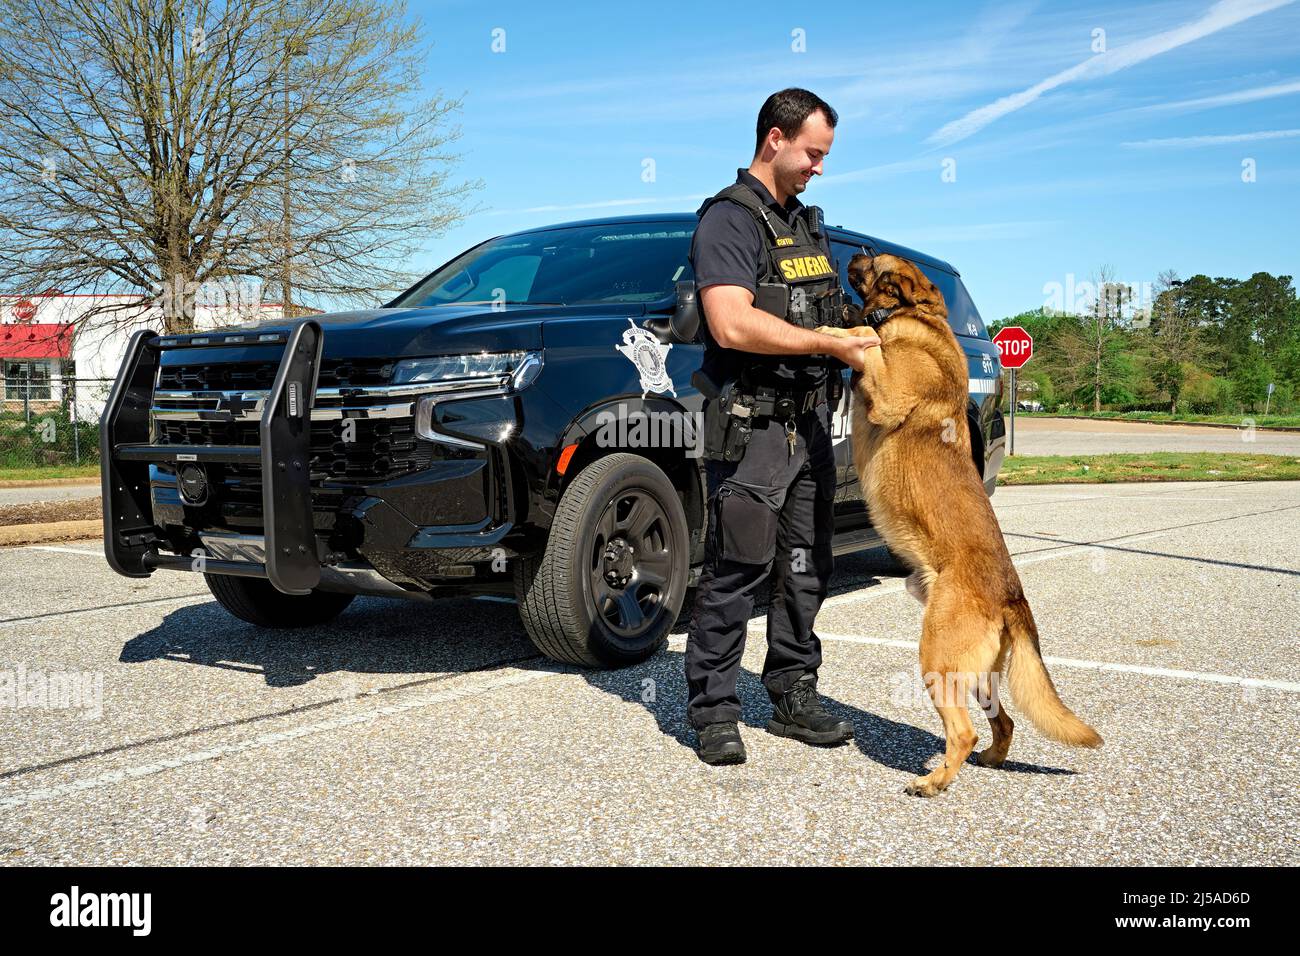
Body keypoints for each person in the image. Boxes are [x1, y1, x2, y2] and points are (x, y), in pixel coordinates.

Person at [684, 88, 881, 765]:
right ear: (775, 139)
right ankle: (713, 710)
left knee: (805, 569)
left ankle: (794, 692)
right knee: (737, 569)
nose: (819, 167)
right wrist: (829, 345)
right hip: (753, 428)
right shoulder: (729, 221)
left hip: (809, 428)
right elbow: (731, 323)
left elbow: (823, 309)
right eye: (813, 153)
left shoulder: (806, 225)